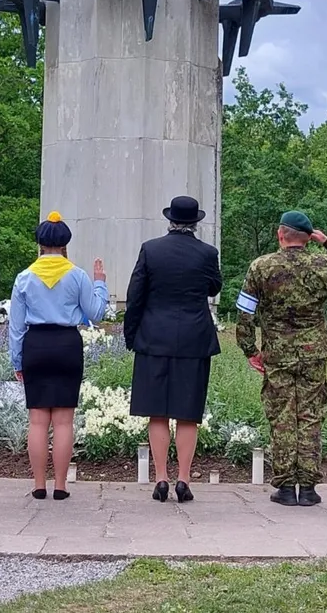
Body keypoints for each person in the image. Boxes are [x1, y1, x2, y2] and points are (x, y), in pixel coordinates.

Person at [236, 211, 327, 507]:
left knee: (281, 416)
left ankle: (285, 486)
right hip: (313, 352)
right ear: (308, 238)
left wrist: (249, 349)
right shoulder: (324, 264)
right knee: (310, 416)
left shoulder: (261, 267)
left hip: (277, 353)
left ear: (281, 235)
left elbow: (244, 313)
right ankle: (308, 487)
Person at [124, 195, 223, 503]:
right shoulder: (207, 253)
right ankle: (183, 478)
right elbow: (214, 287)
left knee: (157, 413)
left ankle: (161, 479)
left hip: (154, 338)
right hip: (194, 339)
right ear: (195, 222)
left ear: (170, 220)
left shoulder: (151, 250)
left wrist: (132, 335)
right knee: (187, 414)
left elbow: (135, 296)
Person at [8, 211, 108, 500]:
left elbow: (15, 326)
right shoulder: (76, 275)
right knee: (64, 421)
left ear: (39, 243)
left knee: (38, 420)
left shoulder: (24, 278)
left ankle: (39, 484)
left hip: (35, 345)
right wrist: (99, 282)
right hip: (67, 344)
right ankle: (61, 486)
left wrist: (17, 360)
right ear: (65, 244)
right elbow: (97, 313)